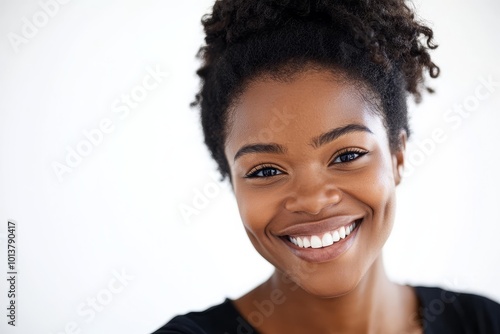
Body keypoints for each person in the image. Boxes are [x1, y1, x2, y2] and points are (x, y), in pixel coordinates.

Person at [153, 0, 500, 333]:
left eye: (347, 156)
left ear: (397, 156)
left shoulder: (484, 323)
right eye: (265, 171)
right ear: (231, 181)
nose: (313, 200)